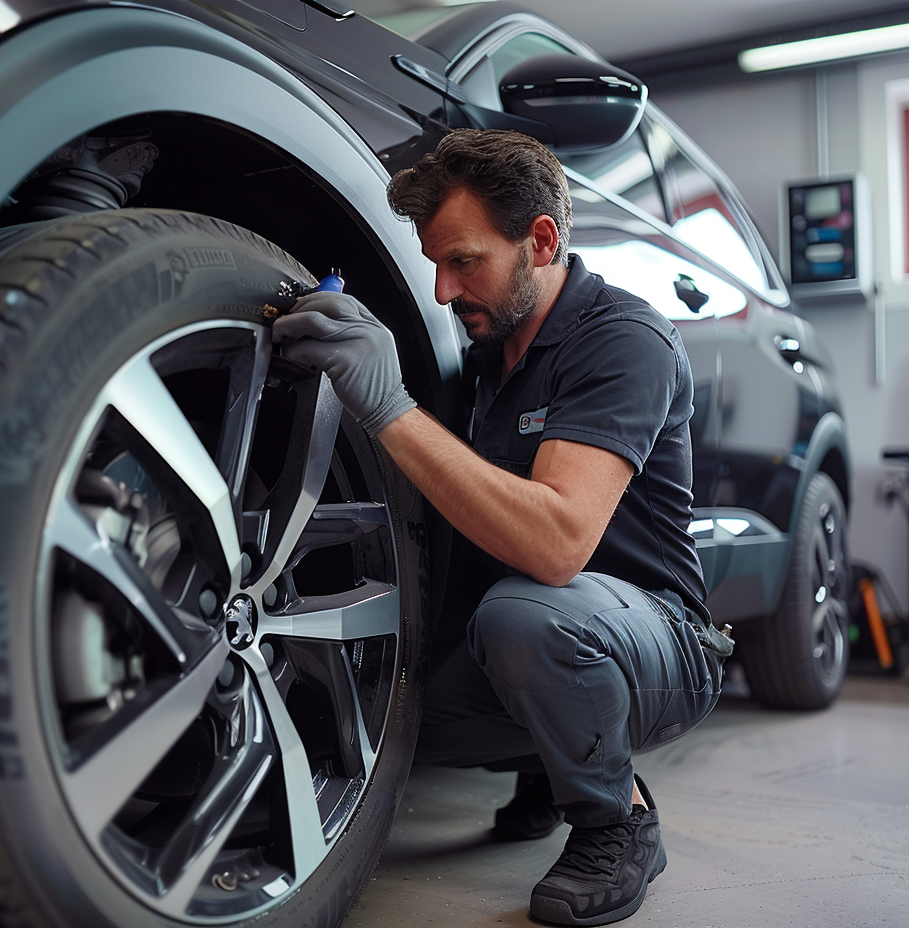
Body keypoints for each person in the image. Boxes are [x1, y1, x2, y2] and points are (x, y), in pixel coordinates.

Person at [272, 128, 730, 927]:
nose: (443, 292)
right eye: (435, 265)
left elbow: (555, 545)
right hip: (543, 628)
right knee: (382, 717)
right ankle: (554, 757)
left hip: (659, 640)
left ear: (541, 241)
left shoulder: (623, 340)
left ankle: (616, 820)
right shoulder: (487, 358)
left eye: (464, 261)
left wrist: (390, 406)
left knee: (525, 618)